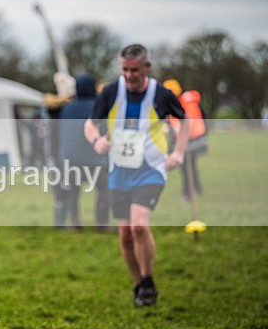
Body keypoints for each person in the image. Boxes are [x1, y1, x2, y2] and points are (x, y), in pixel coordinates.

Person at [83, 44, 189, 307]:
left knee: (139, 225)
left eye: (135, 70)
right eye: (125, 70)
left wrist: (179, 152)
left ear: (147, 67)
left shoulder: (161, 94)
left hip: (151, 169)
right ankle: (139, 286)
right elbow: (89, 123)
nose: (129, 75)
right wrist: (96, 141)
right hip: (119, 172)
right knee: (125, 235)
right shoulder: (110, 92)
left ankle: (148, 279)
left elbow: (184, 120)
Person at [54, 73, 110, 231]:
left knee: (72, 192)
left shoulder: (67, 108)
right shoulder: (100, 106)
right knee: (104, 192)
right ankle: (102, 223)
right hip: (97, 160)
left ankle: (75, 222)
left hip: (71, 160)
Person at [163, 79, 208, 200]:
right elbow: (203, 116)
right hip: (198, 137)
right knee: (191, 166)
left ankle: (188, 193)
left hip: (188, 140)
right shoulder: (190, 100)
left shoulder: (176, 105)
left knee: (186, 168)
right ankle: (196, 189)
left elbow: (177, 127)